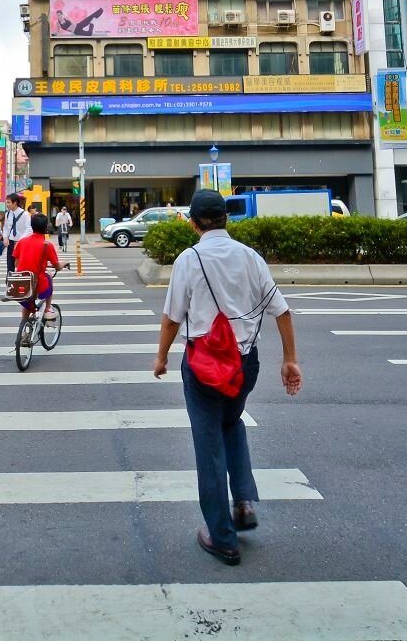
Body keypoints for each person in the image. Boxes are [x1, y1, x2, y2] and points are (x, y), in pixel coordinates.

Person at [153, 189, 301, 567]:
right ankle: (245, 502)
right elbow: (282, 312)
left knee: (208, 444)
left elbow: (172, 317)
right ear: (226, 219)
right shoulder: (250, 257)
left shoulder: (190, 259)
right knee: (232, 423)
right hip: (243, 364)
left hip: (203, 366)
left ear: (192, 223)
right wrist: (290, 360)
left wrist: (161, 358)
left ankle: (222, 537)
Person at [11, 213, 62, 321]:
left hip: (20, 284)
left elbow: (16, 264)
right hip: (38, 285)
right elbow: (57, 266)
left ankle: (24, 330)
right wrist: (64, 264)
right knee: (48, 277)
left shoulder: (22, 242)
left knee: (27, 305)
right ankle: (48, 308)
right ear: (46, 228)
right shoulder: (47, 245)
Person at [1, 193, 30, 275]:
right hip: (11, 243)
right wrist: (5, 237)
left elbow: (29, 229)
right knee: (10, 266)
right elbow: (6, 227)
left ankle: (22, 284)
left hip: (22, 244)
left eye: (9, 202)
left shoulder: (25, 214)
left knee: (22, 266)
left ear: (15, 202)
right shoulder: (8, 214)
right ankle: (10, 284)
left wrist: (20, 240)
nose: (7, 205)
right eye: (6, 202)